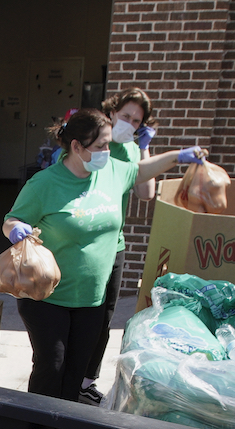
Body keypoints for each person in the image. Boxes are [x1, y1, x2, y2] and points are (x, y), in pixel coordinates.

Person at [1, 108, 205, 402]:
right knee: (51, 369)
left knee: (74, 373)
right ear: (76, 147)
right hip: (48, 299)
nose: (107, 152)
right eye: (100, 146)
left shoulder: (112, 172)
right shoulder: (44, 183)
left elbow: (141, 171)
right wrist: (16, 228)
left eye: (108, 144)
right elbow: (10, 218)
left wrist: (178, 157)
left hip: (91, 298)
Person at [78, 88, 158, 405]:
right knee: (80, 315)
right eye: (125, 116)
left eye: (136, 121)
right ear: (111, 113)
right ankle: (66, 379)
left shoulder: (133, 150)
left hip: (115, 244)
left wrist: (145, 149)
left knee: (103, 318)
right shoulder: (95, 143)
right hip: (84, 244)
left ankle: (85, 382)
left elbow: (147, 192)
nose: (129, 123)